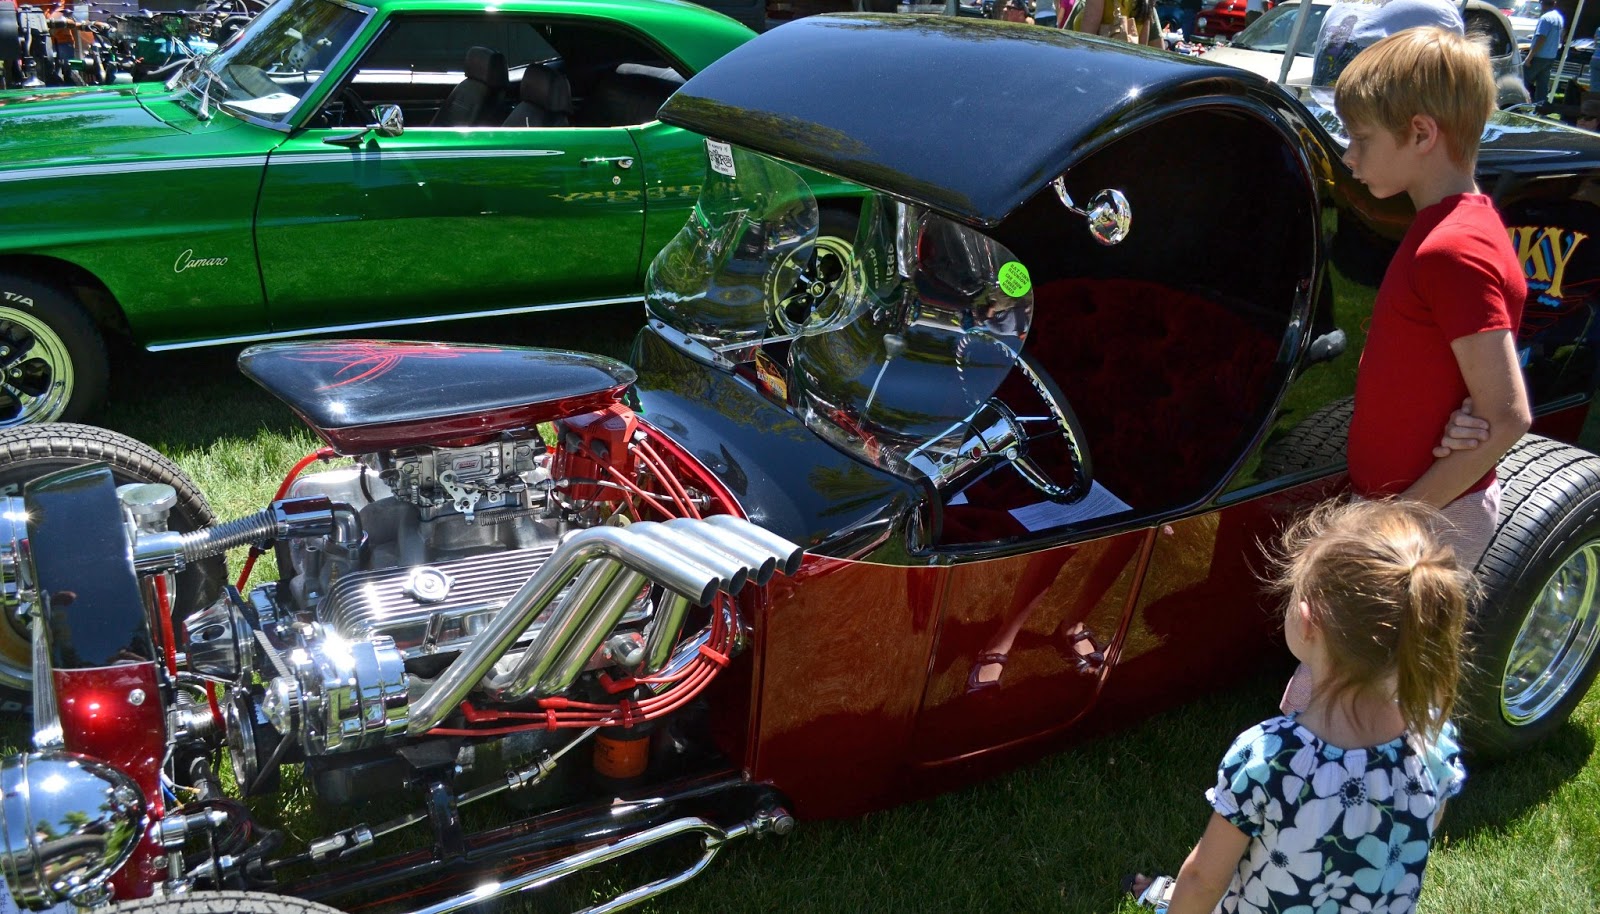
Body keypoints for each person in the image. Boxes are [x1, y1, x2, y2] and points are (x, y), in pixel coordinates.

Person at [1130, 499, 1470, 914]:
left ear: (1308, 621)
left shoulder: (1272, 759)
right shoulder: (1433, 739)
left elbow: (1204, 879)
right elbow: (1418, 831)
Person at [1310, 0, 1464, 86]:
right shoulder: (1437, 10)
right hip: (1381, 128)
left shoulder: (1342, 4)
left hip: (1320, 126)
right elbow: (1450, 92)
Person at [1524, 0, 1565, 104]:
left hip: (1539, 56)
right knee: (1542, 85)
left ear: (1542, 4)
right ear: (1554, 4)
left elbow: (1541, 37)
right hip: (1550, 56)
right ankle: (1541, 107)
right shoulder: (1558, 18)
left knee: (1523, 79)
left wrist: (1529, 56)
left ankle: (1520, 103)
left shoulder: (1545, 18)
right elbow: (1562, 35)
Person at [1073, 0, 1163, 44]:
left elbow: (1086, 40)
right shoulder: (1146, 2)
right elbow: (1142, 49)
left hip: (1099, 66)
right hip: (1127, 69)